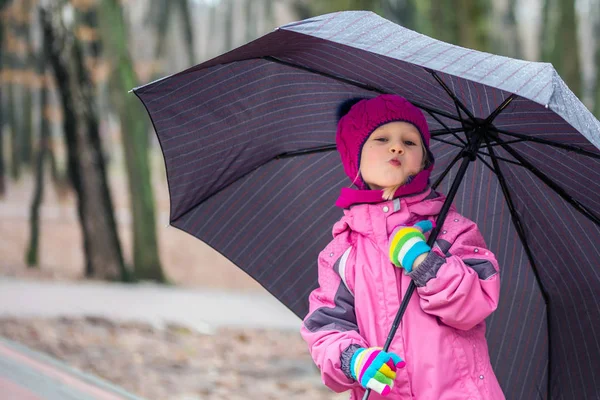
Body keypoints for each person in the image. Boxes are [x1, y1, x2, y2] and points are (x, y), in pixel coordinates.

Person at [301, 94, 504, 399]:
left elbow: (475, 304)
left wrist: (424, 261)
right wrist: (352, 358)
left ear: (424, 159)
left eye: (410, 142)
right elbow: (326, 326)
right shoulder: (343, 252)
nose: (396, 147)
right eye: (381, 138)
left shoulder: (452, 231)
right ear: (354, 157)